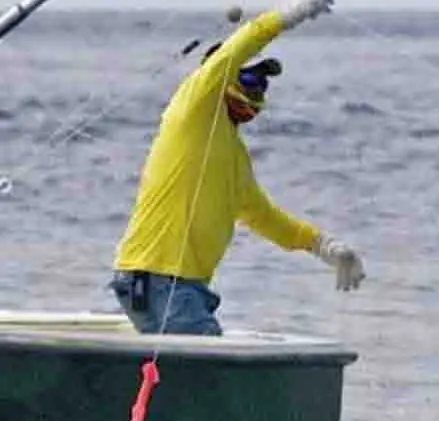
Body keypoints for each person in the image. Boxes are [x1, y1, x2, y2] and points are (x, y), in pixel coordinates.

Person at [109, 0, 364, 336]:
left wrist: (324, 246)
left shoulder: (235, 156)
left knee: (185, 380)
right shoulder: (194, 108)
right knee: (211, 377)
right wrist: (294, 13)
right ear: (221, 76)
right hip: (161, 282)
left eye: (262, 83)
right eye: (247, 78)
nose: (256, 89)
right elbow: (242, 44)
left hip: (179, 288)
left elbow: (264, 217)